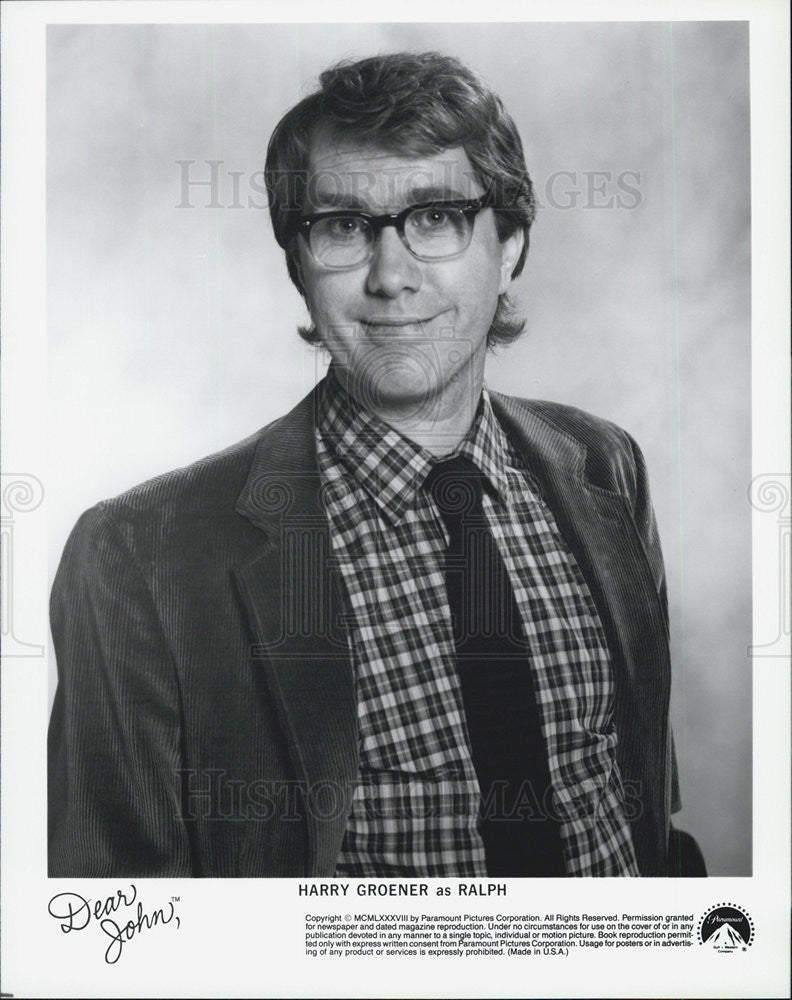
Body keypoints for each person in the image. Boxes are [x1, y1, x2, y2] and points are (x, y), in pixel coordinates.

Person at [48, 51, 704, 878]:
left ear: (509, 247)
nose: (391, 277)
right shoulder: (138, 556)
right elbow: (119, 927)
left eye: (436, 218)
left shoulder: (604, 468)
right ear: (299, 264)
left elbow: (644, 814)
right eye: (344, 228)